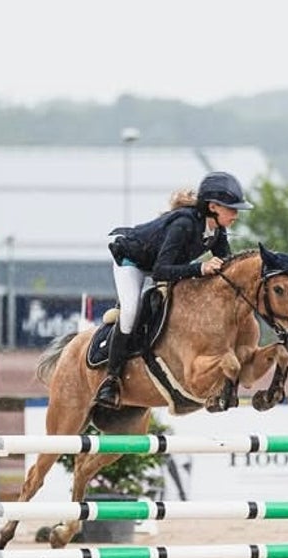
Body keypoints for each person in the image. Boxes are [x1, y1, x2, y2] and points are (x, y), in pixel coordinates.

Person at [95, 170, 254, 409]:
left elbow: (226, 269)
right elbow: (160, 271)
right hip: (133, 263)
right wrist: (200, 268)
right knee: (130, 312)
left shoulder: (217, 231)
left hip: (164, 264)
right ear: (212, 207)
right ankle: (111, 379)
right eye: (231, 209)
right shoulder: (184, 224)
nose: (236, 215)